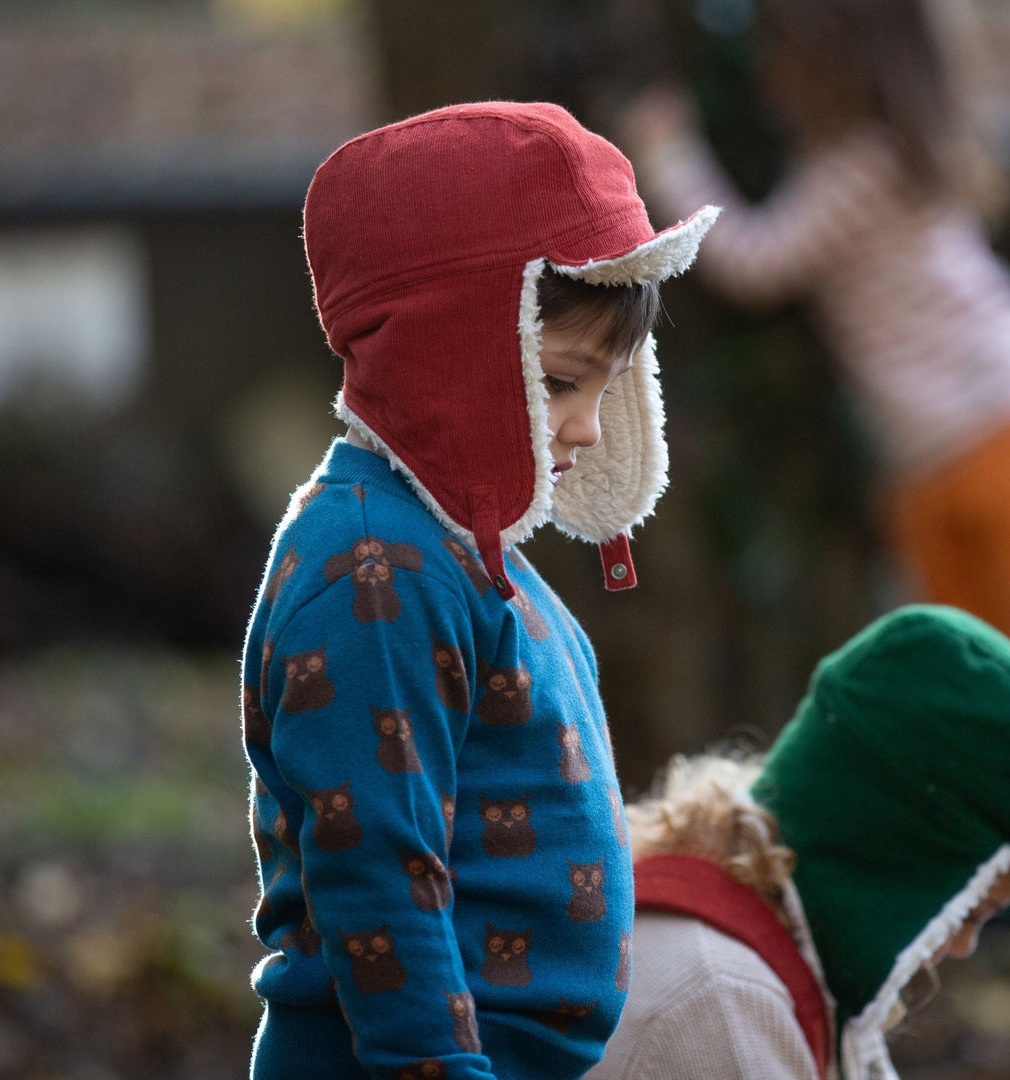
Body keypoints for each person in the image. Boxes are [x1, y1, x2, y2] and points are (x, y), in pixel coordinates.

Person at [238, 101, 718, 1080]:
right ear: (443, 357)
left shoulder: (462, 551)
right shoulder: (376, 571)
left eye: (607, 385)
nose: (585, 428)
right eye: (555, 384)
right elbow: (380, 880)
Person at [622, 0, 1010, 637]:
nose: (770, 72)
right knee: (975, 657)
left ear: (836, 63)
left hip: (977, 439)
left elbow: (753, 261)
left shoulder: (866, 167)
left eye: (788, 53)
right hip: (928, 456)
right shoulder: (890, 157)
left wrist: (670, 154)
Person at [586, 603, 1010, 1080]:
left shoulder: (740, 958)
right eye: (967, 909)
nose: (963, 946)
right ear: (894, 857)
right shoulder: (723, 1002)